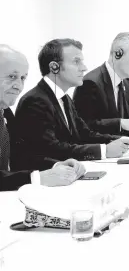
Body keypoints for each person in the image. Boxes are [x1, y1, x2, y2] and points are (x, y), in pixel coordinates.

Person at [12, 39, 129, 171]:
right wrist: (104, 150)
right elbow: (52, 148)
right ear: (54, 67)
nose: (84, 68)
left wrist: (128, 141)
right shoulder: (36, 101)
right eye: (76, 62)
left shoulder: (64, 98)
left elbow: (85, 134)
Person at [0, 44, 85, 191]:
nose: (19, 85)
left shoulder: (5, 112)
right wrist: (37, 178)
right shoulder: (34, 101)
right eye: (12, 77)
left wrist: (55, 165)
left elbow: (19, 156)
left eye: (23, 78)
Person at [73, 32, 129, 135]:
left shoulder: (127, 83)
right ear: (117, 54)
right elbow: (84, 126)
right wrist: (120, 123)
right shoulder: (90, 83)